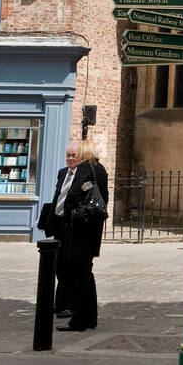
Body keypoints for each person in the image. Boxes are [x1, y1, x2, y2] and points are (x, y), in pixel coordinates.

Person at [44, 140, 109, 333]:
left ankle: (79, 319)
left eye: (78, 153)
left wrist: (66, 215)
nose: (75, 156)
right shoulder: (100, 170)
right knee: (85, 275)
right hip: (90, 231)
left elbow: (74, 197)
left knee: (79, 276)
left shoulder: (85, 170)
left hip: (78, 233)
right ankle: (89, 318)